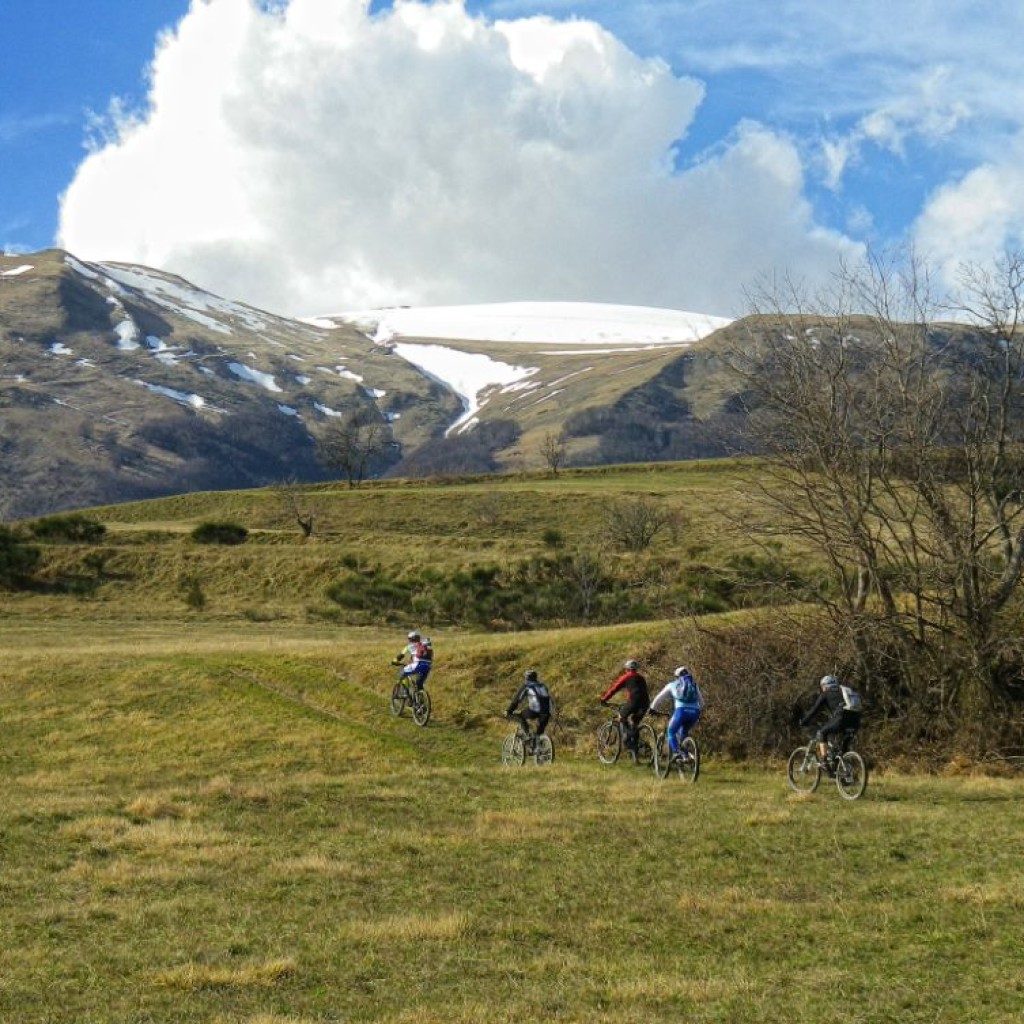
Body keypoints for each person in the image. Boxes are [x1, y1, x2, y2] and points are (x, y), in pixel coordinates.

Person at [800, 674, 861, 767]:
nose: (822, 689)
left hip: (842, 718)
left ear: (825, 685)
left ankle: (824, 761)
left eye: (822, 687)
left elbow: (814, 710)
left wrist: (804, 721)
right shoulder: (842, 691)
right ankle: (845, 775)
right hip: (855, 719)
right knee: (842, 749)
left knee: (822, 732)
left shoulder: (826, 694)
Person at [650, 666, 703, 762]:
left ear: (676, 677)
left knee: (671, 732)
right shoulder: (694, 684)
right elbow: (702, 702)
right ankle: (685, 756)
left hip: (681, 711)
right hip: (695, 713)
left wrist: (652, 708)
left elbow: (660, 698)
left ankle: (677, 753)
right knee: (683, 732)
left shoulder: (672, 685)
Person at [599, 659, 650, 750]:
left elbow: (614, 689)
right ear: (636, 669)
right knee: (635, 723)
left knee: (621, 717)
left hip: (634, 701)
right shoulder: (641, 678)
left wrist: (604, 699)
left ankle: (629, 739)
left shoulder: (626, 677)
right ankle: (635, 744)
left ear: (626, 669)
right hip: (645, 703)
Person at [505, 669, 552, 743]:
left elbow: (517, 699)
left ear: (526, 678)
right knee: (539, 734)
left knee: (521, 716)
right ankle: (538, 747)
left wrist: (509, 710)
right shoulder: (543, 685)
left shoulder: (526, 685)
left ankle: (527, 734)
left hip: (534, 710)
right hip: (547, 711)